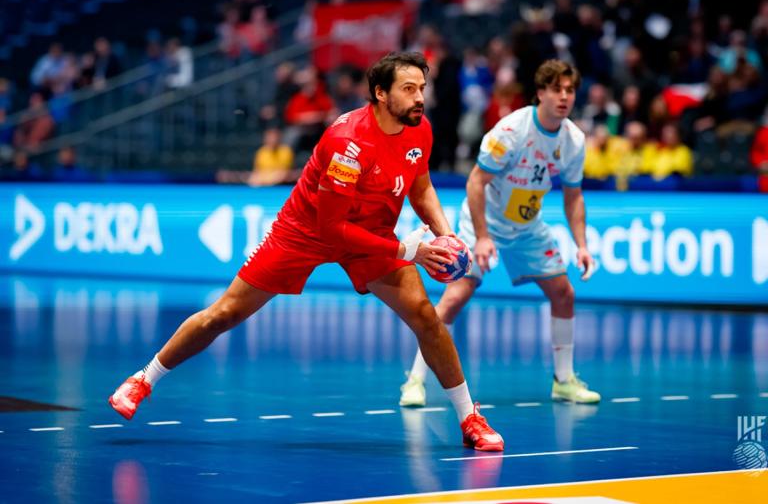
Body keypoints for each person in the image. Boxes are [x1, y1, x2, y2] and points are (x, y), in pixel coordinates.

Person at [109, 52, 504, 452]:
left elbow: (421, 188)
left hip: (372, 234)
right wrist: (409, 250)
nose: (419, 97)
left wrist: (446, 235)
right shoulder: (347, 142)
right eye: (408, 89)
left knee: (425, 316)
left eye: (422, 88)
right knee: (224, 313)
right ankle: (143, 379)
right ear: (380, 94)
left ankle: (469, 417)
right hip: (307, 230)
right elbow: (333, 229)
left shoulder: (419, 130)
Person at [399, 59, 601, 407]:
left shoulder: (574, 140)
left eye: (570, 90)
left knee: (564, 293)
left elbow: (573, 196)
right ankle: (414, 381)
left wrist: (582, 245)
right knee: (455, 298)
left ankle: (564, 381)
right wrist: (481, 237)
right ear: (540, 94)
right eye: (557, 89)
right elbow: (476, 182)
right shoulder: (511, 131)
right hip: (484, 221)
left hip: (526, 227)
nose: (564, 96)